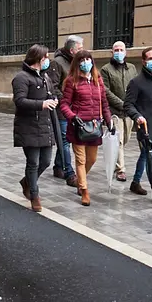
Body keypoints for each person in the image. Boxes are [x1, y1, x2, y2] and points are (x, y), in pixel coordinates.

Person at [59, 50, 113, 207]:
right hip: (78, 126)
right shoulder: (71, 81)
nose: (86, 62)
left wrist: (109, 121)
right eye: (82, 60)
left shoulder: (98, 80)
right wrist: (72, 116)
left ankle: (79, 179)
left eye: (88, 59)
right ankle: (84, 189)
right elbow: (64, 104)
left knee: (92, 159)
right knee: (81, 159)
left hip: (95, 126)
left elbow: (104, 102)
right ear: (77, 63)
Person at [12, 45, 57, 213]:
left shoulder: (45, 77)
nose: (48, 61)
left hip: (44, 125)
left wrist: (53, 99)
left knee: (45, 161)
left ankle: (27, 181)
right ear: (39, 58)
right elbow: (20, 101)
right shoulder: (21, 78)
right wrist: (42, 104)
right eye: (46, 57)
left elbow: (52, 93)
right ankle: (34, 194)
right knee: (33, 162)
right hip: (28, 126)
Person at [124, 47, 152, 202]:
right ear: (143, 61)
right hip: (144, 128)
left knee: (145, 155)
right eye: (150, 59)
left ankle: (135, 182)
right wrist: (137, 116)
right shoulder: (136, 82)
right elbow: (128, 105)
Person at [48, 35, 84, 188]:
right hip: (63, 109)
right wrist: (66, 101)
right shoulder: (57, 63)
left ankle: (58, 167)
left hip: (74, 109)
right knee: (65, 140)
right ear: (71, 50)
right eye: (80, 48)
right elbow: (53, 87)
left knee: (66, 140)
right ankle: (69, 172)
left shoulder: (77, 62)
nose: (82, 51)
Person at [100, 41, 138, 182]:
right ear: (112, 52)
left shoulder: (132, 68)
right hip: (114, 111)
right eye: (116, 49)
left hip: (129, 112)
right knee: (119, 141)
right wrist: (122, 104)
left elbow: (135, 86)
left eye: (121, 49)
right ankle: (120, 169)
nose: (119, 52)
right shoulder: (106, 69)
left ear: (126, 52)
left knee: (126, 139)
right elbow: (106, 91)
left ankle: (117, 159)